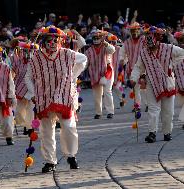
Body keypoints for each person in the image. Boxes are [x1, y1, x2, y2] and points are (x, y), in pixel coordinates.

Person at [25, 26, 87, 173]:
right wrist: (33, 93)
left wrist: (72, 77)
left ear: (60, 41)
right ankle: (50, 161)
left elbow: (83, 59)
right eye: (49, 40)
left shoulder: (67, 53)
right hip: (43, 98)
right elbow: (28, 77)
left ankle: (71, 156)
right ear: (43, 42)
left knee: (68, 126)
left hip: (64, 95)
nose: (52, 43)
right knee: (46, 131)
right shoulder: (36, 58)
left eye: (55, 40)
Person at [130, 26, 184, 143]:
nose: (150, 41)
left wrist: (172, 65)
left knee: (168, 111)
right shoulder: (144, 53)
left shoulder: (169, 48)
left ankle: (167, 132)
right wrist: (133, 78)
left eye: (152, 37)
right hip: (152, 84)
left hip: (168, 83)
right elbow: (138, 67)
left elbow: (182, 54)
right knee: (153, 109)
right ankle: (152, 133)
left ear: (158, 38)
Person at [84, 29, 115, 119]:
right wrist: (78, 71)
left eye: (98, 38)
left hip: (107, 73)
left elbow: (112, 50)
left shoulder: (106, 47)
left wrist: (105, 43)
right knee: (96, 95)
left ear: (102, 38)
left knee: (107, 91)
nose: (96, 39)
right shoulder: (88, 51)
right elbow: (86, 63)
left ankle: (110, 112)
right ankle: (98, 112)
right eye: (94, 38)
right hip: (95, 74)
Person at [9, 37, 37, 135]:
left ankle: (29, 128)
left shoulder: (36, 61)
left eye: (29, 51)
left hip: (31, 89)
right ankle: (26, 124)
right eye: (25, 51)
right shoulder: (17, 59)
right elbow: (11, 71)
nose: (27, 53)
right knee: (19, 112)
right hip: (19, 88)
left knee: (30, 109)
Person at [119, 22, 148, 112]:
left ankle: (148, 104)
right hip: (132, 68)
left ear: (139, 30)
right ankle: (137, 106)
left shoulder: (144, 40)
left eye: (136, 30)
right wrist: (122, 59)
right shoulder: (127, 42)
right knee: (135, 88)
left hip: (143, 68)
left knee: (144, 88)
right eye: (132, 31)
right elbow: (122, 52)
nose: (134, 32)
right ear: (130, 31)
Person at [174, 31, 184, 129]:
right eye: (179, 39)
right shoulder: (175, 49)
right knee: (181, 102)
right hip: (179, 78)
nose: (181, 42)